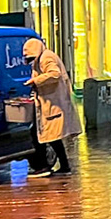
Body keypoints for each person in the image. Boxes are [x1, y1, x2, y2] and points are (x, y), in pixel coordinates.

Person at [23, 37, 82, 176]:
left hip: (53, 104)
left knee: (45, 134)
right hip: (50, 103)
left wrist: (35, 81)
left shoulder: (46, 58)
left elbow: (54, 74)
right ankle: (62, 166)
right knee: (52, 136)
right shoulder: (43, 56)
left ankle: (44, 166)